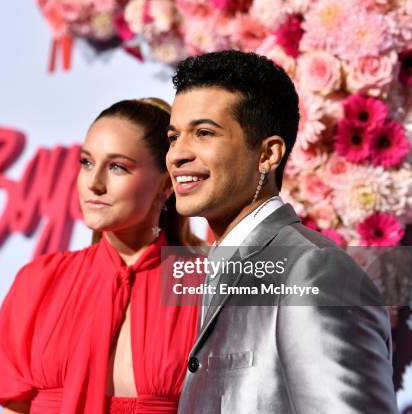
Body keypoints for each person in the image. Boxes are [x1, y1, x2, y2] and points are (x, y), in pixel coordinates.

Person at [166, 51, 398, 413]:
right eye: (173, 136)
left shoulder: (315, 271)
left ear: (268, 154)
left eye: (203, 133)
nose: (177, 155)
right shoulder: (213, 266)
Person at [0, 98, 204, 413]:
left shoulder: (207, 282)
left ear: (166, 185)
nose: (94, 184)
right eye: (87, 162)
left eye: (117, 167)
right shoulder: (40, 280)